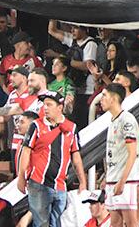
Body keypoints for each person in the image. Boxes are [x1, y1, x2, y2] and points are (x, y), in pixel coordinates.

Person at [19, 91, 85, 227]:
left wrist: (82, 181)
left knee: (59, 223)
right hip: (38, 183)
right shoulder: (36, 125)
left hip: (61, 185)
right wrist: (21, 177)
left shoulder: (71, 128)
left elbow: (76, 155)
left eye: (49, 104)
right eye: (44, 105)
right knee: (41, 223)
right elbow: (25, 152)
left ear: (60, 107)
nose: (45, 108)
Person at [100, 83, 139, 226]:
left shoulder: (127, 120)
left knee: (131, 223)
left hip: (125, 181)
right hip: (113, 179)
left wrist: (122, 181)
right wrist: (107, 176)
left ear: (114, 99)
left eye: (104, 95)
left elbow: (132, 153)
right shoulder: (112, 121)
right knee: (115, 223)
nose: (101, 99)